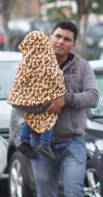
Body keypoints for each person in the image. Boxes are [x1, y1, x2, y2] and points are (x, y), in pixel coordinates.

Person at [31, 21, 99, 197]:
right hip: (41, 143)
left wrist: (65, 99)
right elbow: (18, 98)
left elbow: (92, 97)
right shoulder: (34, 63)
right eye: (57, 36)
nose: (60, 41)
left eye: (66, 39)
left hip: (73, 142)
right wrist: (42, 103)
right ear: (50, 37)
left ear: (74, 44)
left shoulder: (82, 66)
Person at [7, 30, 66, 160]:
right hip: (37, 101)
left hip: (21, 101)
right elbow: (55, 76)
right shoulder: (45, 59)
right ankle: (45, 143)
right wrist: (60, 92)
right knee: (51, 111)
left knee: (31, 115)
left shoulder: (25, 60)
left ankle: (24, 140)